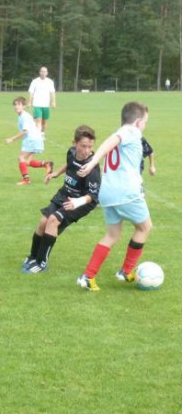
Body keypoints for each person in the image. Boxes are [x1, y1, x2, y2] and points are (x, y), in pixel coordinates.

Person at [76, 101, 152, 292]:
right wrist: (93, 161)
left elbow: (114, 140)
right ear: (137, 122)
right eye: (145, 122)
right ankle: (126, 271)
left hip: (107, 193)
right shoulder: (131, 131)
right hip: (126, 192)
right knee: (144, 227)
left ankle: (88, 276)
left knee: (113, 234)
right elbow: (114, 140)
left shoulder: (122, 132)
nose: (145, 126)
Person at [21, 125, 100, 274]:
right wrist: (56, 173)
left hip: (81, 202)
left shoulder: (92, 167)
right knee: (43, 221)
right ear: (74, 143)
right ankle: (33, 256)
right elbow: (70, 163)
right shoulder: (71, 152)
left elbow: (93, 196)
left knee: (53, 220)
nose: (87, 150)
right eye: (83, 146)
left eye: (90, 147)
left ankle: (42, 262)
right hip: (65, 194)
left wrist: (77, 202)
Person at [5, 97, 53, 185]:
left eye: (19, 104)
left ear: (24, 106)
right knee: (27, 161)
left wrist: (12, 139)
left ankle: (26, 180)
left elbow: (25, 131)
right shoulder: (24, 115)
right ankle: (47, 164)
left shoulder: (24, 117)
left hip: (31, 139)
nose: (16, 107)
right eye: (15, 105)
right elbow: (34, 123)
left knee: (21, 158)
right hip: (36, 138)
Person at [28, 66, 56, 133]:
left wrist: (53, 102)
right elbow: (31, 92)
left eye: (45, 71)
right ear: (39, 72)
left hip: (46, 105)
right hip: (37, 104)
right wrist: (29, 102)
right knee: (38, 120)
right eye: (42, 71)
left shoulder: (50, 82)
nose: (43, 73)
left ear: (47, 73)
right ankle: (38, 134)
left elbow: (52, 92)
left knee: (44, 121)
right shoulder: (35, 81)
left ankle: (42, 133)